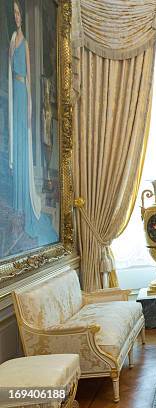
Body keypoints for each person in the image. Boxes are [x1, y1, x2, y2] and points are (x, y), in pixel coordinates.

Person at [8, 0, 57, 245]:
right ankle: (16, 205)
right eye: (14, 13)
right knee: (15, 143)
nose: (17, 16)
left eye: (19, 13)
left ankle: (25, 207)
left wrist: (28, 105)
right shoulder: (11, 40)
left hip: (22, 93)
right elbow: (8, 72)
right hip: (13, 92)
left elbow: (27, 76)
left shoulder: (25, 43)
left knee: (23, 144)